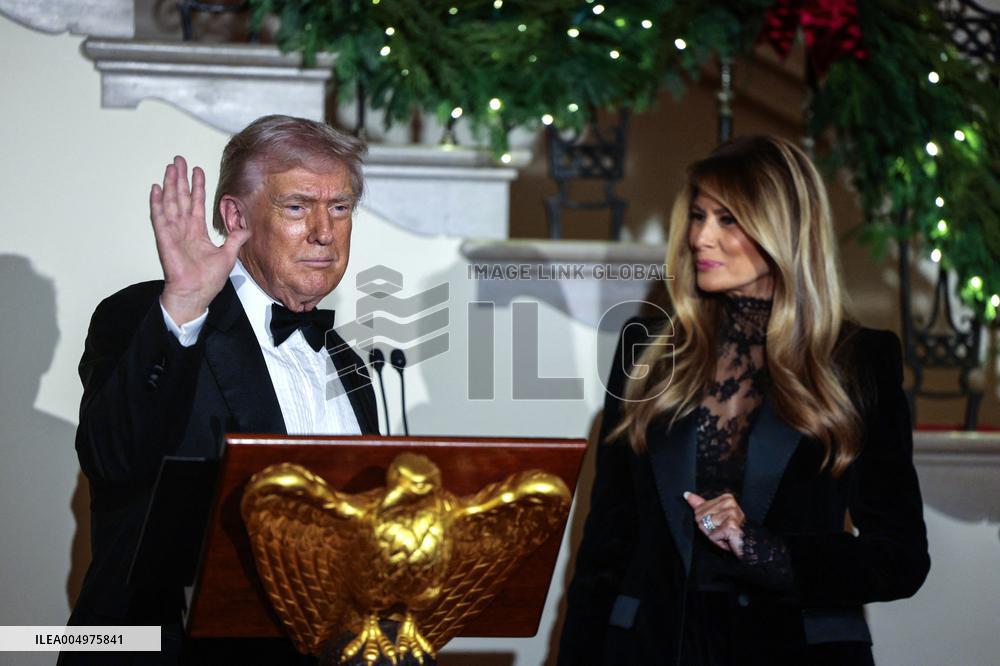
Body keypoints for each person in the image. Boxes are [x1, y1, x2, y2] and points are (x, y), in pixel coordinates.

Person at [558, 135, 930, 665]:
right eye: (698, 215)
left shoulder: (859, 361)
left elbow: (900, 559)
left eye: (728, 219)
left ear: (784, 230)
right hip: (650, 649)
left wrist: (764, 549)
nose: (700, 237)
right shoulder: (647, 348)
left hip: (795, 649)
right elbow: (604, 549)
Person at [61, 115, 378, 665]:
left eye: (341, 207)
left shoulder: (351, 364)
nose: (325, 231)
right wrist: (183, 307)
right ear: (236, 216)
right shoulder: (149, 318)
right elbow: (111, 458)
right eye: (298, 207)